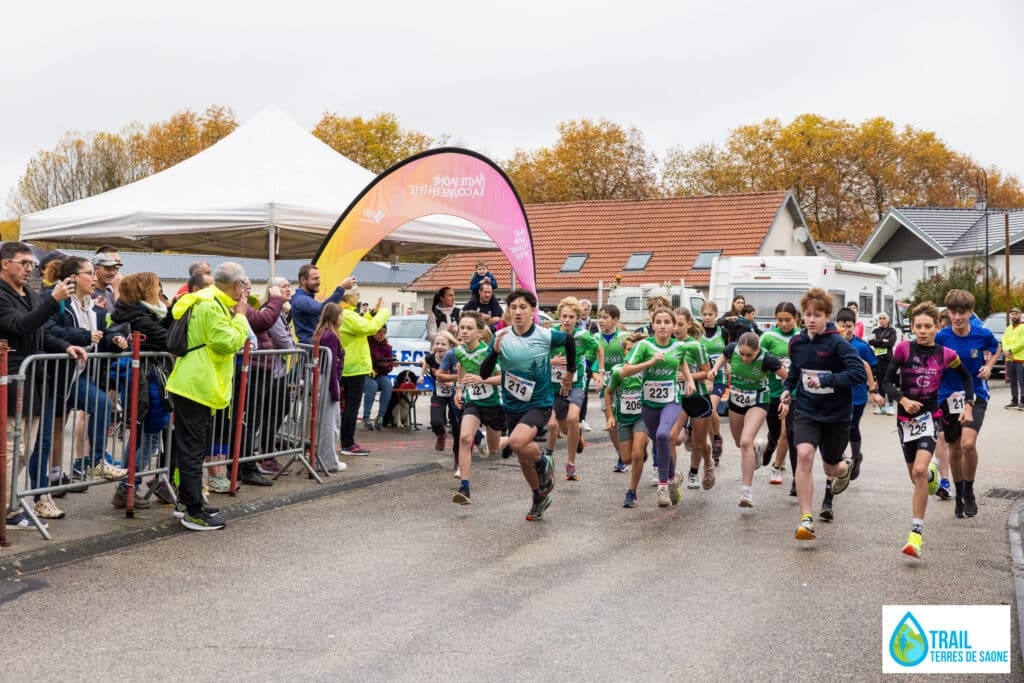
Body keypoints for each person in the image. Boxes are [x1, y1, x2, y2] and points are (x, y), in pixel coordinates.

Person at [1, 244, 88, 530]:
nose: (29, 268)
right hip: (13, 379)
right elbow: (20, 325)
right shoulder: (2, 296)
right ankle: (8, 510)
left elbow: (41, 333)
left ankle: (9, 503)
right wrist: (53, 300)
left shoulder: (29, 295)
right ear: (5, 264)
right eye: (23, 263)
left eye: (31, 264)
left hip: (34, 381)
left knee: (25, 451)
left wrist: (66, 346)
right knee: (14, 448)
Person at [883, 302, 974, 558]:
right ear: (911, 327)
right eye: (918, 326)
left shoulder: (946, 354)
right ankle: (933, 475)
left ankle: (915, 534)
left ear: (937, 327)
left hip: (931, 417)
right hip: (905, 420)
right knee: (916, 477)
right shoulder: (903, 349)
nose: (922, 331)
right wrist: (902, 399)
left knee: (920, 470)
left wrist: (969, 403)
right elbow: (887, 381)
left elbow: (967, 377)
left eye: (927, 326)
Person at [165, 262, 251, 531]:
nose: (246, 291)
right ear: (236, 285)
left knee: (190, 447)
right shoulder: (212, 304)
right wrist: (240, 317)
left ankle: (186, 501)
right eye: (245, 285)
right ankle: (193, 510)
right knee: (192, 449)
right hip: (196, 384)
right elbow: (227, 341)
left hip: (196, 382)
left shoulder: (207, 300)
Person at [43, 256, 130, 512]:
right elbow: (47, 331)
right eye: (89, 273)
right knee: (45, 436)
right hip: (53, 376)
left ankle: (94, 461)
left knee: (102, 404)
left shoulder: (94, 306)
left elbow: (105, 331)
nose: (94, 278)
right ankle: (43, 490)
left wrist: (115, 341)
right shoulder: (57, 301)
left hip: (77, 377)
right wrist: (82, 336)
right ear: (72, 278)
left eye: (94, 273)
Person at [479, 289, 575, 522]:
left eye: (523, 307)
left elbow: (570, 341)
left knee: (517, 442)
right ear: (508, 312)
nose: (518, 312)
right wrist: (494, 352)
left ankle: (545, 463)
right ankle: (538, 496)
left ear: (533, 311)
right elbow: (483, 372)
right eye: (513, 308)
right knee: (523, 456)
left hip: (539, 402)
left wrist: (570, 373)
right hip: (512, 404)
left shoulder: (544, 335)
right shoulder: (501, 335)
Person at [781, 287, 865, 541]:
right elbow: (795, 372)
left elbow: (858, 374)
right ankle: (806, 519)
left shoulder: (837, 342)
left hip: (836, 414)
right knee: (804, 455)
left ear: (826, 316)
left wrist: (828, 379)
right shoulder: (797, 342)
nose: (811, 320)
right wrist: (787, 389)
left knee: (830, 467)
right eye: (807, 315)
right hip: (807, 409)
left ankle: (845, 467)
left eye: (817, 315)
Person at [110, 271, 174, 504]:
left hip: (148, 379)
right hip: (148, 381)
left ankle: (126, 486)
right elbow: (170, 339)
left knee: (140, 438)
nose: (160, 290)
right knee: (149, 439)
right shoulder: (142, 319)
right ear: (146, 290)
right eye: (157, 286)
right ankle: (127, 487)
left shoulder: (141, 313)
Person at [621, 307, 695, 507]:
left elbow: (682, 363)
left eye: (667, 322)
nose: (663, 326)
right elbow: (624, 371)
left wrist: (690, 380)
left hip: (672, 400)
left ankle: (663, 485)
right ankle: (672, 476)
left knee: (664, 435)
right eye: (659, 322)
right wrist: (649, 363)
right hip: (649, 403)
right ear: (652, 325)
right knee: (658, 439)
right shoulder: (644, 346)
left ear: (673, 326)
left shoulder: (679, 346)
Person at [936, 289, 1000, 519]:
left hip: (977, 394)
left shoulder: (981, 334)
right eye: (953, 312)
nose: (957, 317)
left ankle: (969, 490)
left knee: (968, 445)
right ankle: (959, 491)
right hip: (948, 397)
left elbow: (996, 347)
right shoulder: (941, 337)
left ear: (971, 312)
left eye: (962, 312)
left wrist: (990, 366)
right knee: (953, 447)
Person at [709, 331, 786, 508]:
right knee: (740, 443)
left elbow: (787, 376)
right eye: (741, 354)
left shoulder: (768, 359)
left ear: (757, 350)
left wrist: (785, 397)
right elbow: (723, 357)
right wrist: (715, 369)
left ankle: (746, 491)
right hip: (736, 399)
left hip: (758, 400)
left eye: (749, 355)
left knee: (745, 441)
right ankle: (757, 448)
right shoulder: (731, 349)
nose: (744, 358)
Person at [828, 307, 883, 521]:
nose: (844, 329)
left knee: (852, 427)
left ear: (854, 326)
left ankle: (856, 457)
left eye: (848, 326)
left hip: (858, 394)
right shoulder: (832, 343)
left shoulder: (860, 346)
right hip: (837, 393)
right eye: (841, 325)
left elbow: (871, 365)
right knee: (841, 427)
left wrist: (873, 389)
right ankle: (841, 459)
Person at [444, 311, 504, 504]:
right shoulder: (459, 352)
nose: (464, 331)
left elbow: (504, 378)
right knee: (464, 437)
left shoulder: (489, 353)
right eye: (462, 327)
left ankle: (509, 439)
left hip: (494, 404)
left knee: (493, 450)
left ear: (479, 333)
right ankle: (465, 488)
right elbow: (462, 369)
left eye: (469, 328)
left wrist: (482, 378)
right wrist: (459, 389)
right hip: (474, 403)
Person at [543, 297, 600, 481]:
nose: (567, 320)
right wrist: (551, 361)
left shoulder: (582, 336)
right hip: (554, 386)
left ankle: (570, 464)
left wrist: (595, 367)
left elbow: (597, 349)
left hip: (576, 383)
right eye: (564, 316)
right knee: (554, 425)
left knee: (573, 418)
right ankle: (549, 461)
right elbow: (538, 355)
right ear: (559, 317)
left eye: (571, 317)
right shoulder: (551, 335)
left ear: (577, 319)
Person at [254, 277, 297, 475]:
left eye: (289, 285)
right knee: (272, 413)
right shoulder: (270, 313)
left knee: (279, 410)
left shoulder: (281, 313)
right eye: (283, 286)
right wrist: (293, 345)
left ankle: (266, 451)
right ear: (272, 291)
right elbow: (285, 342)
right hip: (270, 372)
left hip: (277, 370)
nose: (288, 289)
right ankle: (265, 455)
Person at [339, 293, 390, 456]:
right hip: (354, 366)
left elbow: (362, 324)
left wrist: (373, 313)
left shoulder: (346, 313)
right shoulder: (347, 314)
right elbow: (368, 328)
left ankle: (348, 441)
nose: (359, 296)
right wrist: (383, 312)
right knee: (352, 406)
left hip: (351, 365)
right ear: (348, 297)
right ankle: (347, 444)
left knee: (349, 405)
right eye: (356, 293)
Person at [671, 308, 715, 494]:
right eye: (673, 324)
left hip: (697, 398)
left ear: (689, 324)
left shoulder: (696, 346)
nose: (675, 328)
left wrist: (689, 377)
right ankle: (670, 479)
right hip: (676, 399)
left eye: (680, 324)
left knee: (698, 443)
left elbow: (708, 373)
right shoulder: (667, 345)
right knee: (671, 437)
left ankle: (704, 466)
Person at [605, 332, 649, 507]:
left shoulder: (647, 371)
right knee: (626, 459)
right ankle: (641, 447)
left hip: (642, 416)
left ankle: (632, 492)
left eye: (635, 350)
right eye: (628, 350)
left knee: (636, 454)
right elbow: (608, 392)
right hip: (623, 418)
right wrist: (609, 416)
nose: (632, 353)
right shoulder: (618, 371)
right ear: (624, 352)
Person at [758, 302, 799, 485]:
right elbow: (757, 360)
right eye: (780, 320)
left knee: (787, 432)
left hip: (794, 391)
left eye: (788, 320)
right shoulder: (768, 337)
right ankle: (768, 448)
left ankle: (777, 467)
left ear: (796, 318)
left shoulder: (801, 336)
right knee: (774, 433)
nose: (784, 324)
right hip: (772, 391)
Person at [595, 304, 630, 472]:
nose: (601, 320)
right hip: (605, 384)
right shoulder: (594, 338)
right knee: (610, 422)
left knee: (623, 419)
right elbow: (590, 362)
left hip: (623, 383)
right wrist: (597, 376)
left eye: (605, 317)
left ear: (615, 320)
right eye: (599, 317)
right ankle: (621, 454)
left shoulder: (625, 337)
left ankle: (631, 446)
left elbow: (632, 360)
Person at [312, 303, 346, 473]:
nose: (342, 319)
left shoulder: (321, 332)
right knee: (330, 423)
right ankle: (328, 460)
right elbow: (331, 365)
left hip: (322, 380)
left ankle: (321, 459)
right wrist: (335, 389)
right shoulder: (331, 335)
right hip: (328, 381)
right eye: (340, 315)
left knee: (323, 423)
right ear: (334, 316)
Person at [291, 264, 354, 345]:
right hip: (311, 350)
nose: (319, 282)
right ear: (303, 280)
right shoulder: (300, 299)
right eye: (315, 278)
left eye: (319, 278)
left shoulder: (305, 299)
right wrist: (341, 288)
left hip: (315, 347)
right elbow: (324, 309)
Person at [700, 301, 730, 465]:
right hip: (701, 378)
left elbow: (729, 352)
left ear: (716, 315)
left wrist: (730, 364)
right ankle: (714, 448)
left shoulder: (723, 332)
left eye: (710, 314)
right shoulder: (697, 331)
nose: (707, 317)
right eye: (704, 314)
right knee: (707, 414)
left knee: (710, 408)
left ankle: (716, 438)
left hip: (719, 378)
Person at [423, 332, 459, 457]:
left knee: (456, 426)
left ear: (450, 346)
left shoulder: (455, 358)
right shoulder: (431, 358)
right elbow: (426, 362)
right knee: (435, 421)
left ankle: (458, 456)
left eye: (443, 344)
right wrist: (421, 376)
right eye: (437, 343)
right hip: (438, 393)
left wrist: (452, 383)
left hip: (455, 394)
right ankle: (441, 434)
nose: (440, 346)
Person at [362, 326, 395, 430]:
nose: (382, 335)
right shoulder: (366, 342)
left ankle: (380, 417)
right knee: (372, 386)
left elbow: (390, 367)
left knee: (388, 385)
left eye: (384, 332)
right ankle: (366, 418)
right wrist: (371, 367)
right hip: (366, 373)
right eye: (379, 331)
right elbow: (362, 359)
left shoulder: (387, 347)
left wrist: (385, 366)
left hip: (380, 373)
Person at [868, 311, 898, 415]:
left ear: (888, 320)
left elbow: (891, 343)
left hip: (888, 360)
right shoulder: (875, 330)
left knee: (887, 382)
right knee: (880, 383)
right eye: (880, 318)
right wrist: (882, 341)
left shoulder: (892, 331)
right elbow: (870, 341)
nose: (881, 320)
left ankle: (890, 406)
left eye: (884, 318)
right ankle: (882, 407)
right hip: (878, 359)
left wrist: (879, 342)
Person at [90, 245, 122, 311]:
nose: (112, 273)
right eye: (108, 267)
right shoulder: (88, 293)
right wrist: (116, 289)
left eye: (116, 268)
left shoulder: (110, 294)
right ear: (95, 267)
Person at [1004, 307, 1024, 409]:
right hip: (1010, 359)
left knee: (1022, 381)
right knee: (1013, 381)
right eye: (1012, 314)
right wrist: (1006, 351)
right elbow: (1004, 340)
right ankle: (1014, 400)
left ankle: (1023, 402)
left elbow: (1022, 342)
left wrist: (1011, 350)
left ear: (1020, 315)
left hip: (1021, 359)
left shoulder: (1023, 327)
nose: (1014, 316)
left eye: (1016, 314)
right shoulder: (1008, 328)